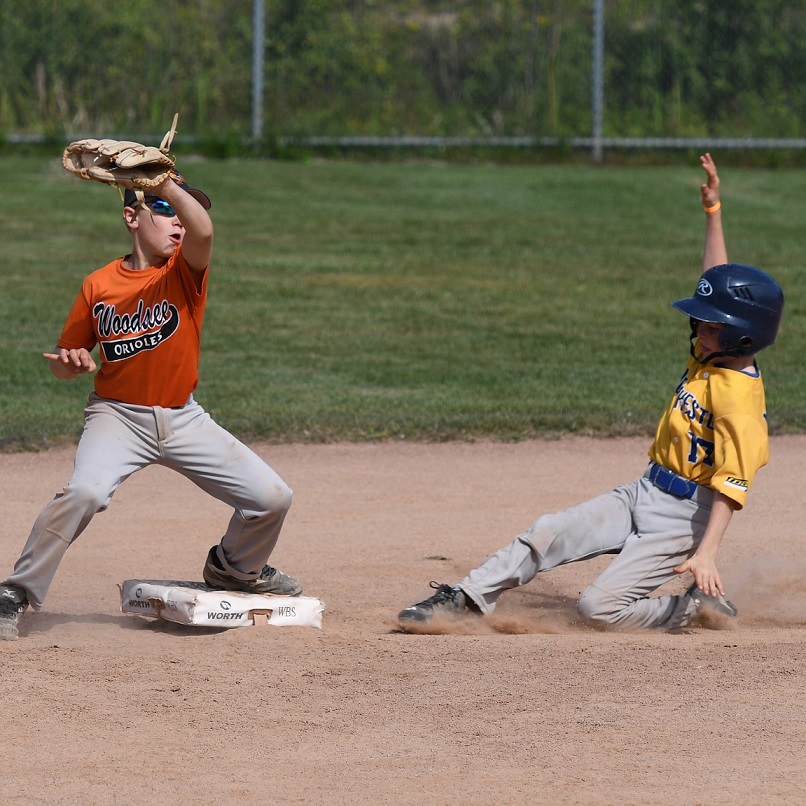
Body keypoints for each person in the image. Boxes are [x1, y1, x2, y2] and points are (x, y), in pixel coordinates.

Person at [398, 154, 784, 633]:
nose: (699, 329)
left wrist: (706, 554)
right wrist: (713, 211)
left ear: (743, 336)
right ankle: (468, 597)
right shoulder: (711, 355)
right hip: (645, 489)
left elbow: (732, 487)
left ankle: (692, 608)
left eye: (711, 325)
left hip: (686, 519)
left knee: (597, 610)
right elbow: (716, 281)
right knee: (550, 530)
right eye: (701, 320)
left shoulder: (739, 399)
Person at [0, 171, 301, 641]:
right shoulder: (98, 285)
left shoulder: (185, 272)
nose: (178, 220)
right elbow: (65, 361)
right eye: (163, 211)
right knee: (85, 494)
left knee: (271, 498)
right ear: (131, 217)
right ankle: (15, 593)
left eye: (181, 209)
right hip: (117, 417)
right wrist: (72, 363)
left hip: (184, 418)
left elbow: (203, 230)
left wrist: (163, 188)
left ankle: (235, 570)